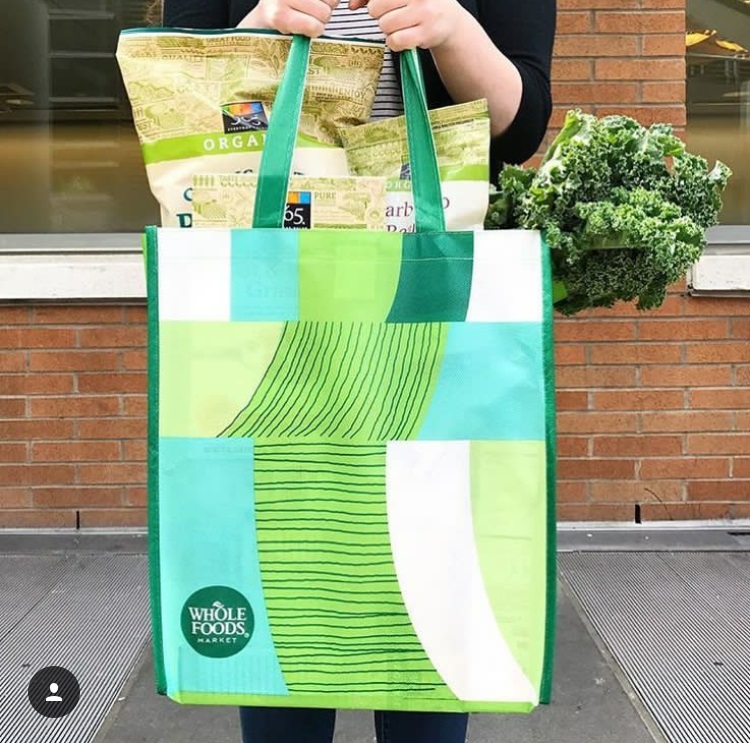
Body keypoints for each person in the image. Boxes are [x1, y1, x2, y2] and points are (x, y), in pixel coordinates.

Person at [157, 1, 556, 741]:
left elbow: (522, 124)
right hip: (277, 296)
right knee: (282, 603)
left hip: (425, 301)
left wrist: (452, 27)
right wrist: (259, 25)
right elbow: (177, 96)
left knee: (428, 613)